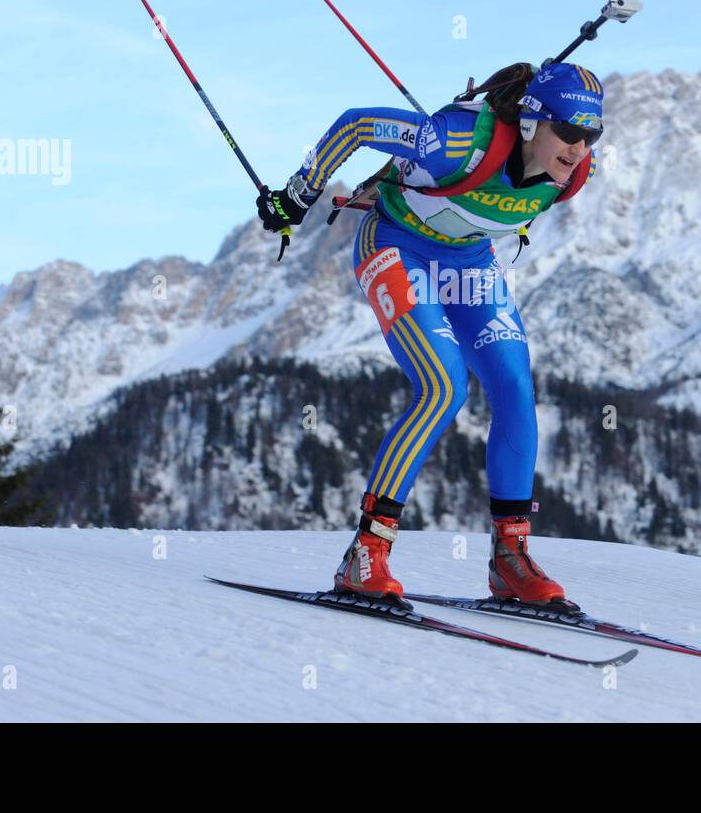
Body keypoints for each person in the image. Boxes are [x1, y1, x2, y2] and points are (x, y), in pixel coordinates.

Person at [257, 62, 603, 608]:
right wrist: (299, 195)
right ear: (534, 120)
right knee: (444, 387)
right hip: (397, 245)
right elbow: (356, 124)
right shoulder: (457, 141)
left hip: (470, 264)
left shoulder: (572, 174)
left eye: (592, 134)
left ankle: (510, 560)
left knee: (516, 390)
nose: (579, 147)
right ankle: (365, 555)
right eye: (569, 130)